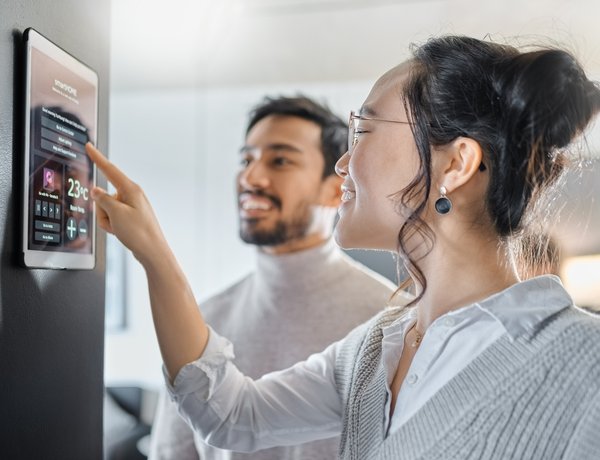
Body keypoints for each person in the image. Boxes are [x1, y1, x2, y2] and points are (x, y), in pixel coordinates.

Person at [87, 35, 600, 459]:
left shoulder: (586, 365)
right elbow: (230, 416)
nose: (342, 165)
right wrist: (153, 252)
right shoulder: (374, 350)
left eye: (365, 130)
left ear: (456, 164)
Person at [145, 95, 398, 459]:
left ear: (335, 187)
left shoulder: (388, 320)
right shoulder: (201, 320)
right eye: (246, 159)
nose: (250, 177)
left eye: (280, 160)